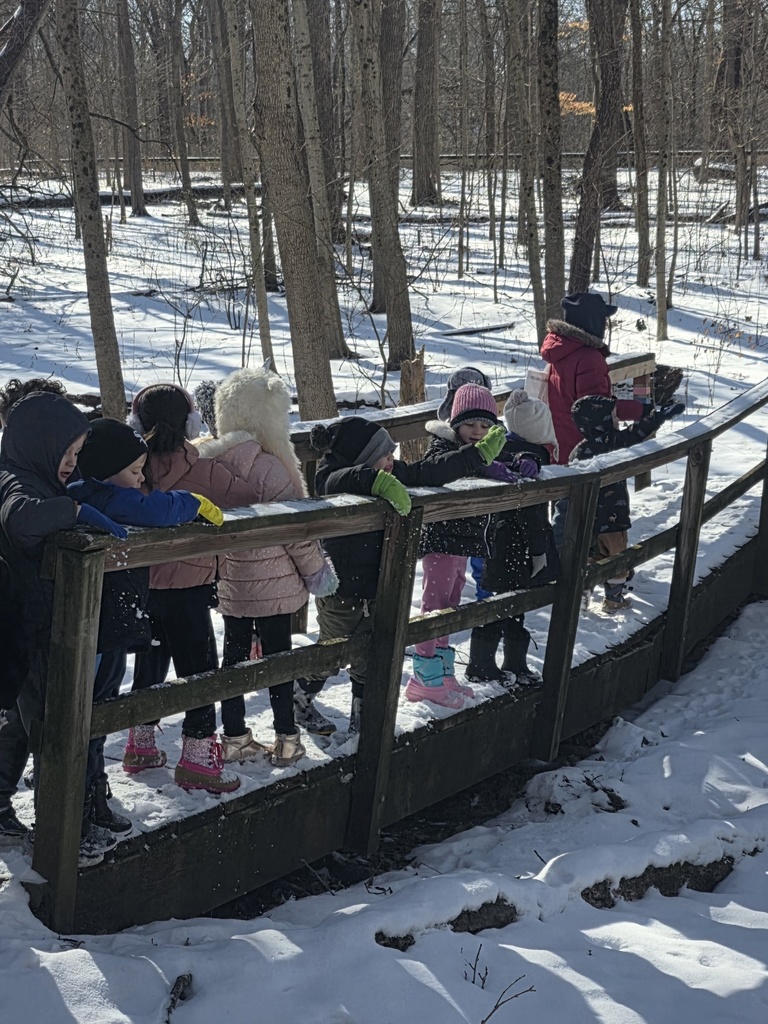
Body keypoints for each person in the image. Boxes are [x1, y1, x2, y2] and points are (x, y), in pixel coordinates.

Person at [306, 411, 506, 731]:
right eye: (386, 456)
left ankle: (363, 718)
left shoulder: (387, 471)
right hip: (340, 589)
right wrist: (375, 480)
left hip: (376, 584)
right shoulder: (333, 477)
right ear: (365, 457)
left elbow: (428, 471)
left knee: (369, 654)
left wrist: (476, 454)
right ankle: (299, 699)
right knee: (333, 651)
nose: (391, 461)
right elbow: (338, 480)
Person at [69, 418, 224, 830]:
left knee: (94, 711)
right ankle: (83, 802)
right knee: (92, 711)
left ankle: (89, 790)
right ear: (106, 470)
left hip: (101, 624)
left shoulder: (86, 493)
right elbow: (155, 508)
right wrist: (193, 502)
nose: (141, 481)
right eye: (135, 473)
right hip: (99, 629)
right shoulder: (104, 496)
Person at [0, 392, 127, 865]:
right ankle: (60, 832)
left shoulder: (31, 475)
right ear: (42, 443)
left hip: (34, 625)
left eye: (77, 455)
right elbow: (22, 521)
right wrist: (74, 513)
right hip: (26, 630)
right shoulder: (14, 480)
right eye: (67, 453)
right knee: (49, 728)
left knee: (28, 721)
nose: (72, 464)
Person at [195, 369, 338, 767]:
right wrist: (317, 573)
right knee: (279, 661)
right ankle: (286, 738)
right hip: (275, 588)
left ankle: (236, 736)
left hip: (230, 584)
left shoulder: (209, 462)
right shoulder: (271, 469)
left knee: (235, 659)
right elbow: (295, 531)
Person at [126, 383, 261, 794]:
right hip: (190, 587)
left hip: (143, 586)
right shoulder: (203, 469)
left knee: (150, 664)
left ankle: (140, 743)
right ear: (190, 424)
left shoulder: (131, 467)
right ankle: (198, 759)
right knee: (199, 670)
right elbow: (247, 496)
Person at [410, 383, 516, 708]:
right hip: (442, 539)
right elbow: (441, 469)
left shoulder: (482, 450)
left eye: (485, 426)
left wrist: (519, 463)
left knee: (452, 602)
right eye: (470, 424)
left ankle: (441, 674)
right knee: (435, 605)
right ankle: (422, 678)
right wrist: (482, 461)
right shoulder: (443, 448)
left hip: (462, 543)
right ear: (456, 423)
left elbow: (496, 461)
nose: (477, 432)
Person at [466, 390, 559, 684]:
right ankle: (484, 664)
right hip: (512, 540)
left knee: (509, 602)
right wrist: (539, 550)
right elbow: (532, 510)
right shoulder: (515, 450)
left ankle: (512, 663)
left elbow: (519, 454)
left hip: (508, 538)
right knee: (504, 602)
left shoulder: (516, 450)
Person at [541, 292, 645, 549]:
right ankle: (577, 575)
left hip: (559, 443)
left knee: (565, 512)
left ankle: (564, 570)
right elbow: (597, 410)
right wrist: (643, 411)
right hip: (586, 447)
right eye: (603, 320)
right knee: (589, 518)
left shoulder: (559, 350)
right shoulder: (588, 357)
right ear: (593, 322)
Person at [570, 394, 684, 613]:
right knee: (617, 556)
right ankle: (613, 599)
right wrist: (659, 415)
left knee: (594, 554)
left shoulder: (580, 450)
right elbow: (636, 433)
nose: (618, 420)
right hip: (613, 514)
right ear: (600, 421)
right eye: (613, 416)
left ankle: (584, 589)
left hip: (587, 516)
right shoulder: (612, 443)